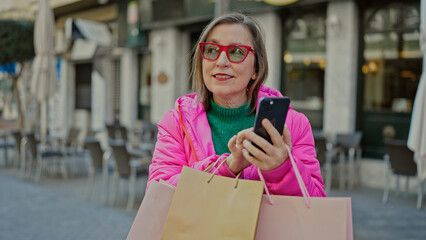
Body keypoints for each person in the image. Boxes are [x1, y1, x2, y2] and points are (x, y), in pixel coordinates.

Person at [148, 12, 326, 197]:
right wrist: (228, 167)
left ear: (256, 69)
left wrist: (281, 169)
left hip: (267, 227)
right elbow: (159, 193)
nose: (221, 62)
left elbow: (315, 202)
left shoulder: (293, 123)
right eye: (212, 50)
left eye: (236, 52)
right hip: (197, 227)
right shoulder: (177, 122)